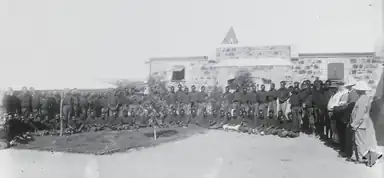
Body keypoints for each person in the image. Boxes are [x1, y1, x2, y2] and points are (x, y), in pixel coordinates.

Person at [349, 81, 373, 163]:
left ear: (359, 91)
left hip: (360, 124)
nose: (355, 91)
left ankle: (362, 158)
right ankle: (356, 156)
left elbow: (359, 114)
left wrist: (354, 124)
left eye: (357, 90)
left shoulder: (363, 99)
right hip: (360, 123)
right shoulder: (363, 98)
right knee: (357, 140)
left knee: (360, 141)